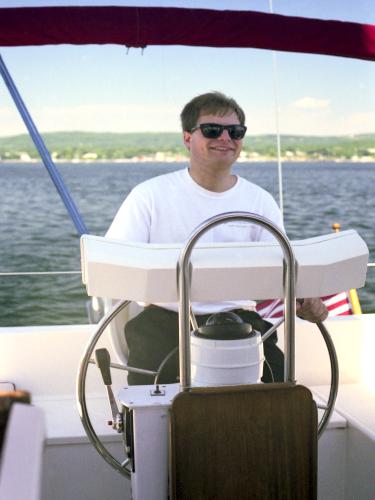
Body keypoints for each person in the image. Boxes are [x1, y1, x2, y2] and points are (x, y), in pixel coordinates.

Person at [106, 91, 328, 385]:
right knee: (150, 404)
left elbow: (283, 268)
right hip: (164, 320)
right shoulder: (148, 196)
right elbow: (116, 262)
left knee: (281, 389)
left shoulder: (259, 201)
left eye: (235, 131)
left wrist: (306, 299)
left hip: (239, 320)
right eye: (212, 130)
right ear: (187, 138)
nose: (225, 138)